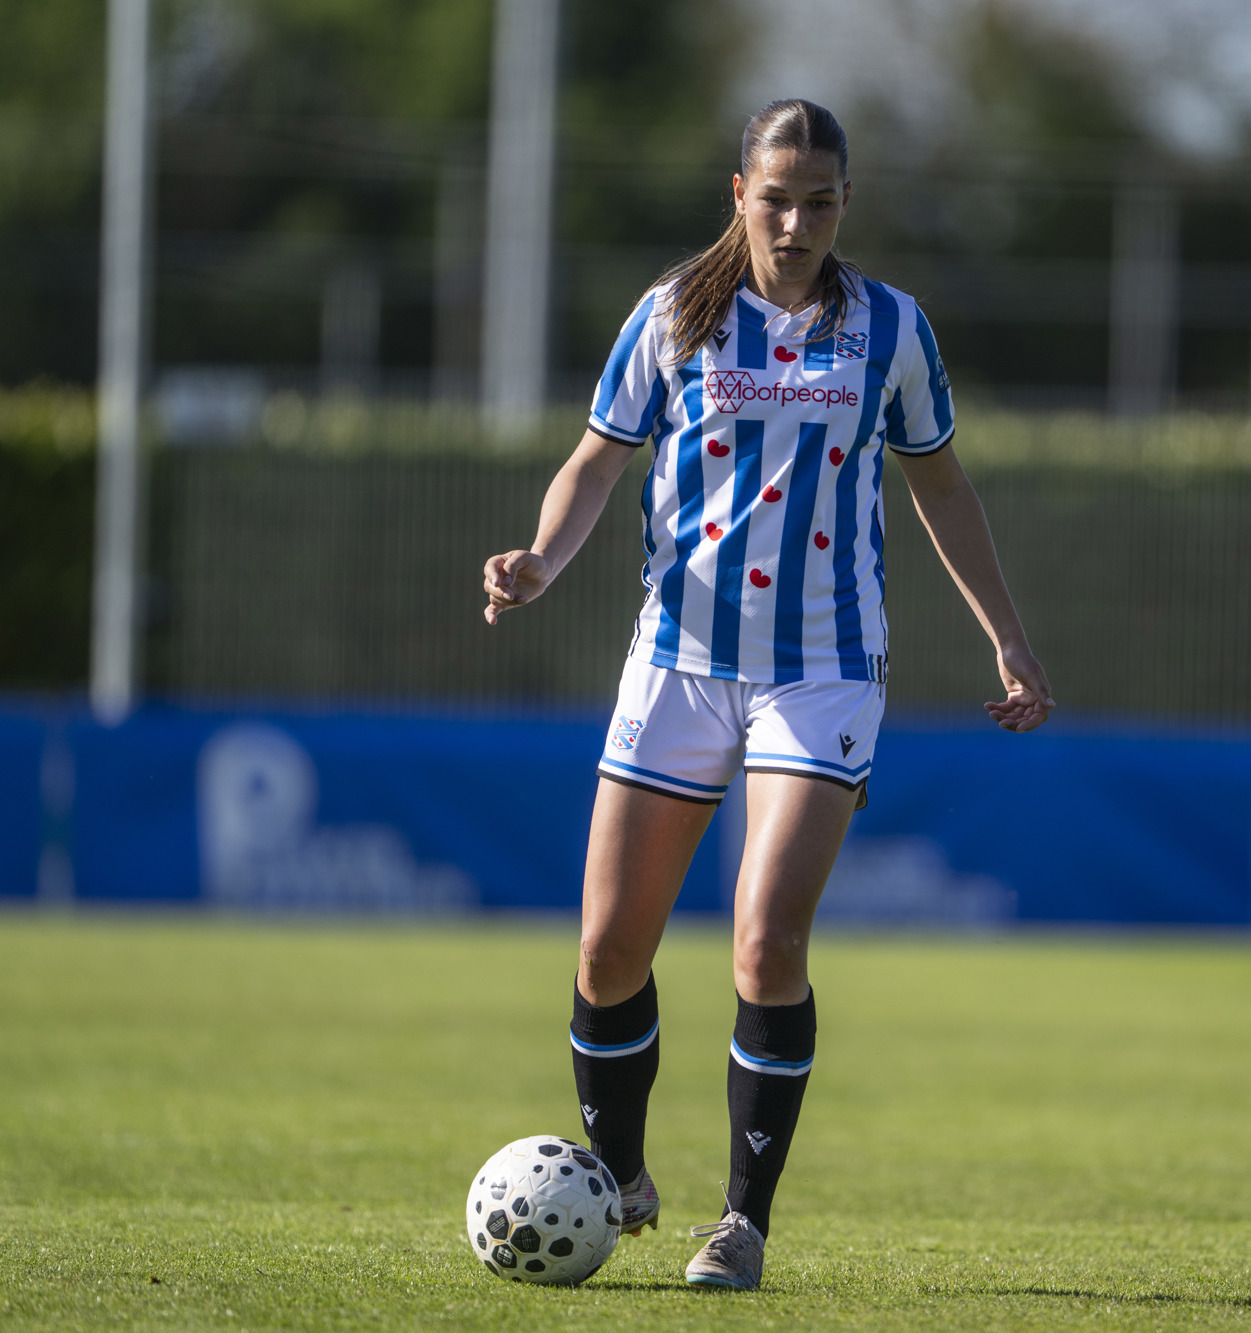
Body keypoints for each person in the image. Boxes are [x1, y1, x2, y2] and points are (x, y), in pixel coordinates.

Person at [482, 98, 1053, 1292]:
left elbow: (942, 488)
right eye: (776, 199)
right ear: (737, 194)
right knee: (607, 950)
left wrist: (1006, 636)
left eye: (819, 202)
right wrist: (539, 559)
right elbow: (595, 462)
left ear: (846, 203)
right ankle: (620, 1174)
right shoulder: (670, 316)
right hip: (678, 662)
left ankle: (740, 1223)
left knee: (765, 937)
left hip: (823, 668)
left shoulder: (890, 328)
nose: (795, 224)